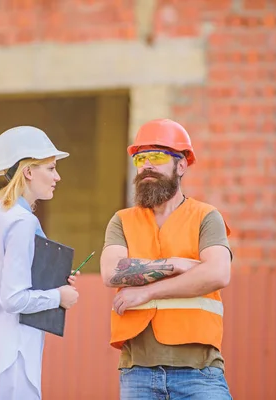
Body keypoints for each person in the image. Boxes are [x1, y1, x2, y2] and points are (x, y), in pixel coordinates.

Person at [100, 119, 233, 399]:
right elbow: (112, 272)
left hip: (199, 373)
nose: (146, 165)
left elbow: (218, 274)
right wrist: (175, 264)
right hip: (138, 373)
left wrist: (148, 291)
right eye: (140, 158)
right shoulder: (121, 221)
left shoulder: (206, 217)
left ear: (181, 165)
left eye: (157, 157)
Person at [0, 126, 80, 400]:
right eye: (51, 168)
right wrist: (59, 296)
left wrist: (53, 277)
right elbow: (12, 299)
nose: (57, 176)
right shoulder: (22, 222)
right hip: (12, 357)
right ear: (28, 171)